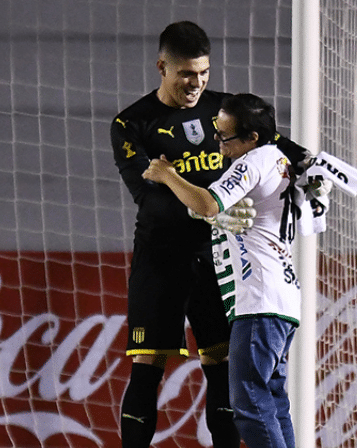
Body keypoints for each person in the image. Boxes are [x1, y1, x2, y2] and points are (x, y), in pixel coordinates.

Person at [110, 21, 309, 448]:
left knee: (223, 369)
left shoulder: (225, 109)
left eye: (203, 73)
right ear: (161, 67)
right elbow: (147, 197)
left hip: (218, 258)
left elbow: (272, 143)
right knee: (148, 366)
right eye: (185, 74)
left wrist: (311, 165)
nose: (196, 83)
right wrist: (210, 215)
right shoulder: (132, 123)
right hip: (160, 256)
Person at [142, 93, 301, 448]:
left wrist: (168, 175)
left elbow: (208, 203)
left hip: (258, 299)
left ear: (251, 138)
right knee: (273, 401)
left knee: (247, 401)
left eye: (225, 137)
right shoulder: (278, 159)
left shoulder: (251, 162)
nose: (218, 142)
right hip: (282, 298)